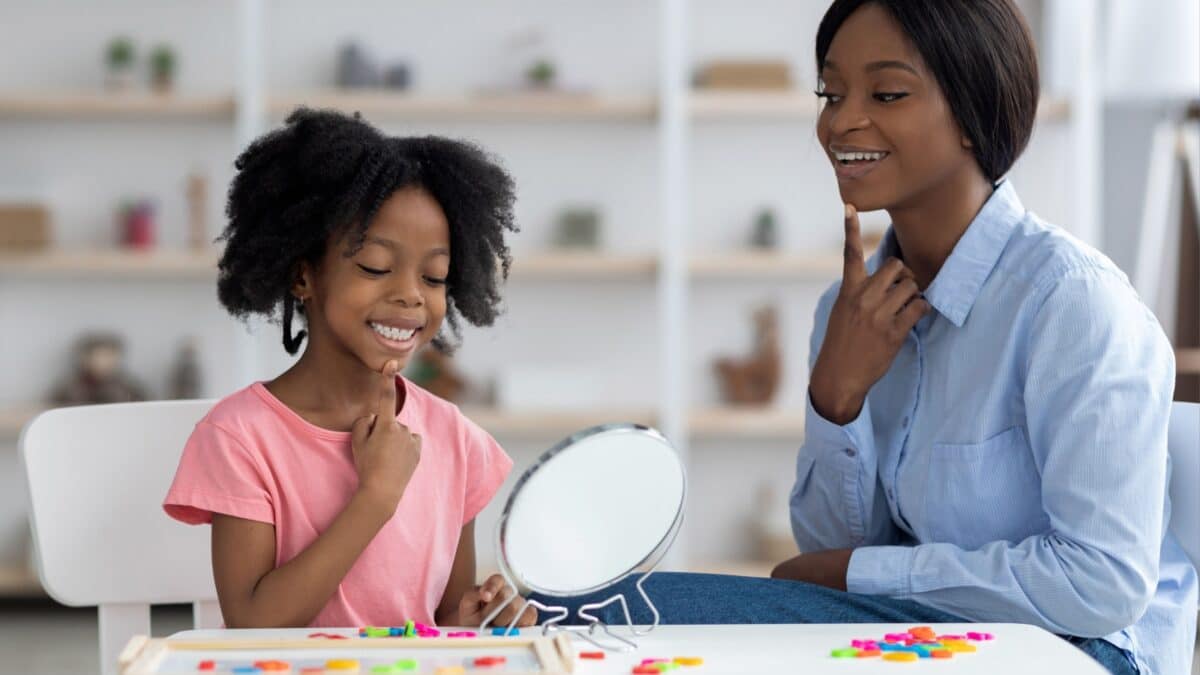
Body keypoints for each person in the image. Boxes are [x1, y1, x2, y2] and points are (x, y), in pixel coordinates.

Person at [540, 3, 1194, 672]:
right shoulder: (847, 310)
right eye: (830, 92)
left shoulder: (1070, 302)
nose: (840, 121)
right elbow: (824, 556)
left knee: (622, 616)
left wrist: (865, 573)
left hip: (1077, 651)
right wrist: (836, 398)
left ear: (973, 111)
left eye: (886, 93)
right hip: (922, 641)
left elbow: (1101, 582)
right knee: (593, 612)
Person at [163, 108, 537, 630]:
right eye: (375, 268)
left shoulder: (454, 439)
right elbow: (252, 626)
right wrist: (376, 498)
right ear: (302, 275)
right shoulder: (240, 437)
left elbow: (440, 617)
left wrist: (477, 617)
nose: (410, 294)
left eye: (433, 277)